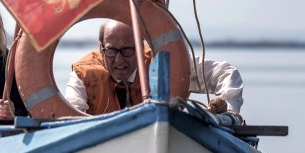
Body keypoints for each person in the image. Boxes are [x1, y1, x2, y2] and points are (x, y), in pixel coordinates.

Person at [64, 21, 244, 115]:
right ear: (101, 48)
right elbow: (71, 115)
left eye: (127, 50)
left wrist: (229, 111)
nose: (118, 59)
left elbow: (225, 73)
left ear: (140, 46)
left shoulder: (163, 61)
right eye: (111, 50)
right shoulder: (83, 74)